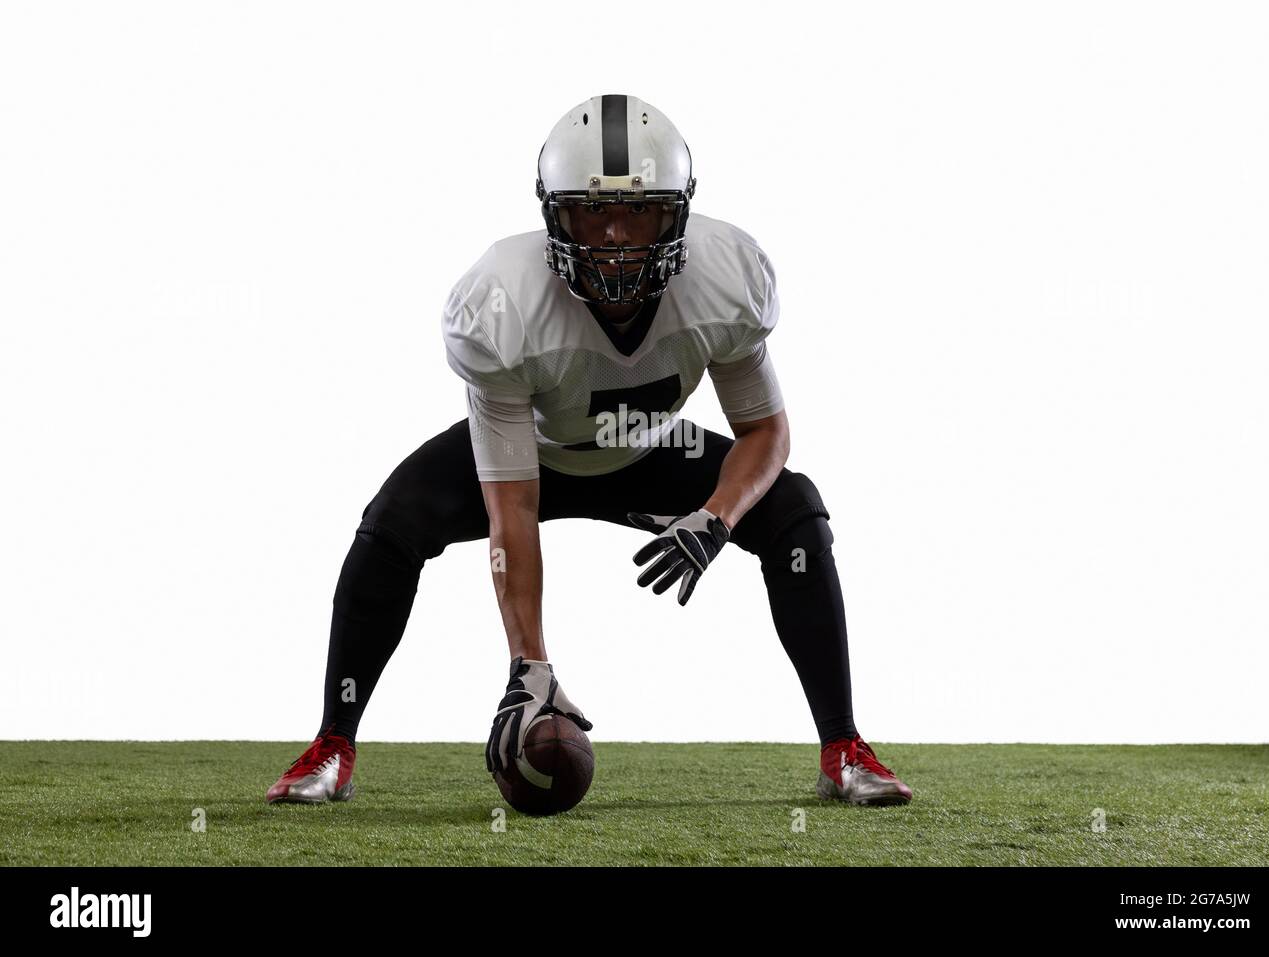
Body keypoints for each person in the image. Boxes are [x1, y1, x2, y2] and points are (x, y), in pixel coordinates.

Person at [266, 94, 913, 808]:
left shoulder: (724, 281)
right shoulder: (502, 303)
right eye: (591, 212)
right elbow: (512, 503)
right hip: (537, 451)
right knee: (392, 523)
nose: (614, 236)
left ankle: (843, 748)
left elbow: (767, 433)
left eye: (639, 211)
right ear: (553, 215)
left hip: (649, 444)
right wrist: (529, 666)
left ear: (678, 214)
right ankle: (332, 746)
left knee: (794, 509)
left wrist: (716, 518)